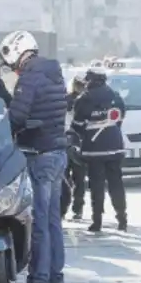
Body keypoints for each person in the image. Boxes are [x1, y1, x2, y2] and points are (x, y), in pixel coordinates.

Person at [0, 30, 68, 283]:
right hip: (58, 152)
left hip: (38, 154)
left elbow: (17, 116)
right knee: (53, 222)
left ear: (17, 51)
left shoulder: (30, 77)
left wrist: (0, 129)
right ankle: (55, 280)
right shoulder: (54, 73)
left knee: (38, 222)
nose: (12, 67)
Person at [71, 66, 127, 232]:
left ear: (91, 80)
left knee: (96, 186)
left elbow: (77, 126)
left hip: (94, 150)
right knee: (116, 183)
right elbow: (120, 118)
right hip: (115, 147)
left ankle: (97, 221)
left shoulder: (83, 99)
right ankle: (122, 218)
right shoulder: (116, 97)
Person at [61, 75, 88, 220]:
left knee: (65, 178)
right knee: (79, 179)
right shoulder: (86, 102)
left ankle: (65, 208)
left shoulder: (64, 100)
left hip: (65, 142)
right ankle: (77, 209)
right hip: (78, 143)